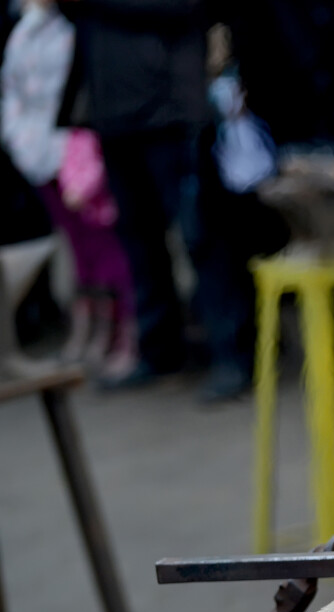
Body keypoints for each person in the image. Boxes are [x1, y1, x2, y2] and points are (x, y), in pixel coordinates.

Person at [58, 0, 254, 400]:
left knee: (202, 236)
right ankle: (158, 349)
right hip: (112, 111)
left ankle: (232, 354)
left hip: (172, 109)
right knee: (136, 238)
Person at [0, 0, 136, 379]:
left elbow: (72, 93)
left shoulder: (72, 31)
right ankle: (89, 327)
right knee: (78, 247)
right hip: (36, 153)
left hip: (76, 153)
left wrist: (71, 154)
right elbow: (14, 93)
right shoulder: (23, 34)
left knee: (104, 243)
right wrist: (22, 142)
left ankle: (122, 327)